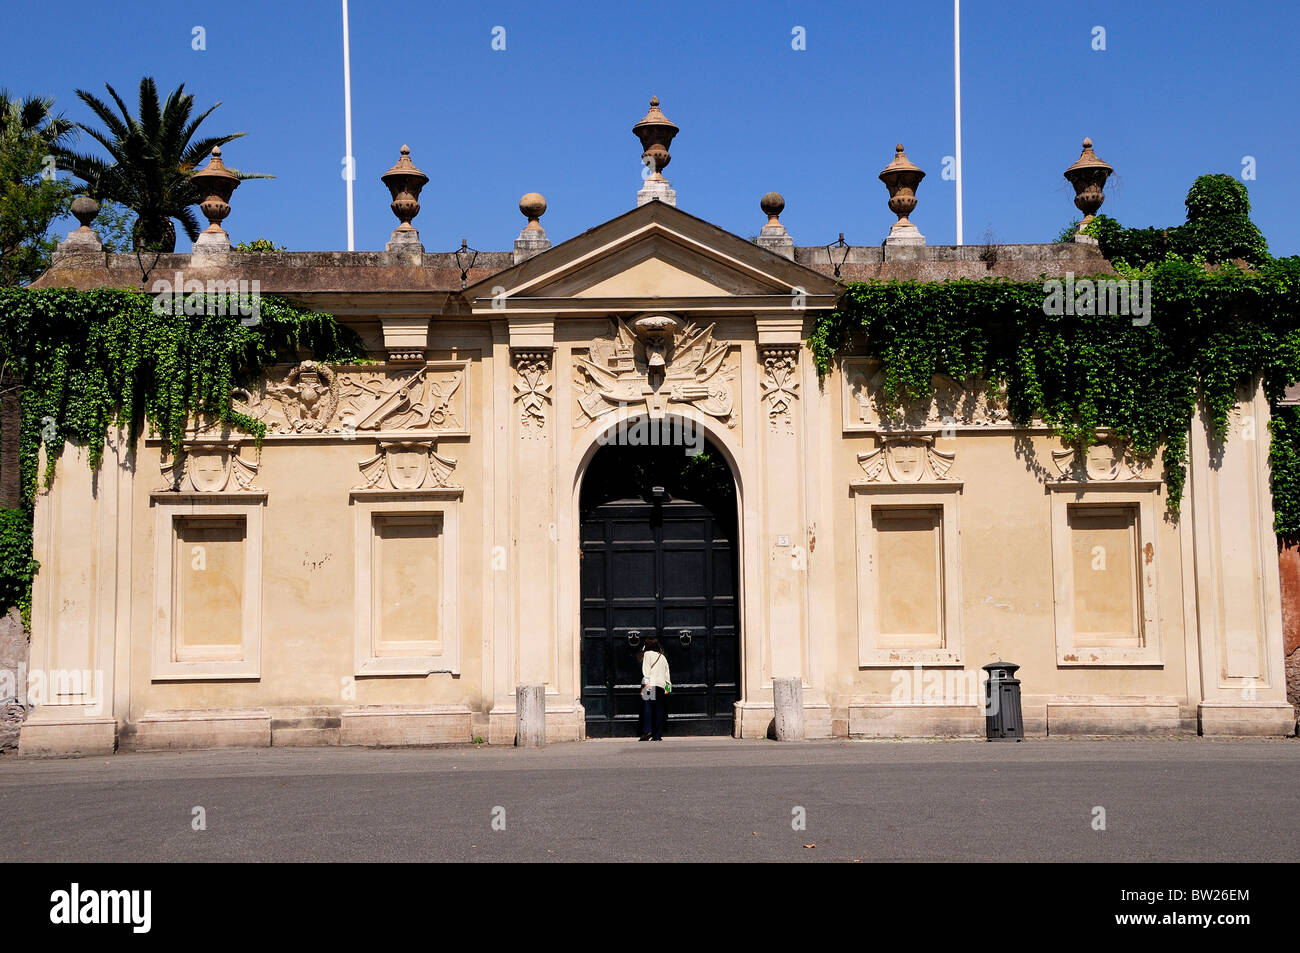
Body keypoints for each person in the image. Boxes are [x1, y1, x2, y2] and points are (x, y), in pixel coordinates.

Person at [639, 636, 671, 741]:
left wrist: (645, 685)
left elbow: (646, 670)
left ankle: (647, 731)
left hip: (650, 682)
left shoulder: (647, 654)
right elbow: (667, 674)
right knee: (659, 709)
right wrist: (668, 688)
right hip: (661, 684)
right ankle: (657, 735)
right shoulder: (662, 657)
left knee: (647, 706)